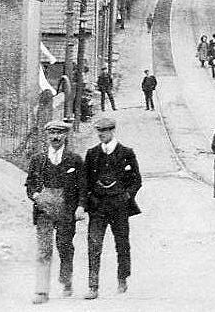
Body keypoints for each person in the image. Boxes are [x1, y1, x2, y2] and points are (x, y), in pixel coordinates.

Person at [26, 119, 84, 304]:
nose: (55, 137)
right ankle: (41, 291)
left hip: (66, 208)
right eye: (52, 133)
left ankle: (66, 279)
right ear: (47, 135)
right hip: (44, 209)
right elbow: (30, 184)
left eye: (59, 133)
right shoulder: (38, 160)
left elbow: (82, 186)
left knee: (64, 246)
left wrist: (81, 206)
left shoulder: (74, 159)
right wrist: (36, 196)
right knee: (44, 249)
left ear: (65, 135)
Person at [83, 117, 141, 299]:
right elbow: (85, 181)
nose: (101, 134)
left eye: (105, 131)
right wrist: (90, 198)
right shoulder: (92, 153)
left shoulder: (126, 153)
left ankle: (122, 279)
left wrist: (126, 196)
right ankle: (93, 286)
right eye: (99, 131)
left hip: (119, 207)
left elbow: (136, 180)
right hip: (98, 207)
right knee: (94, 245)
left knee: (122, 244)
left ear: (112, 131)